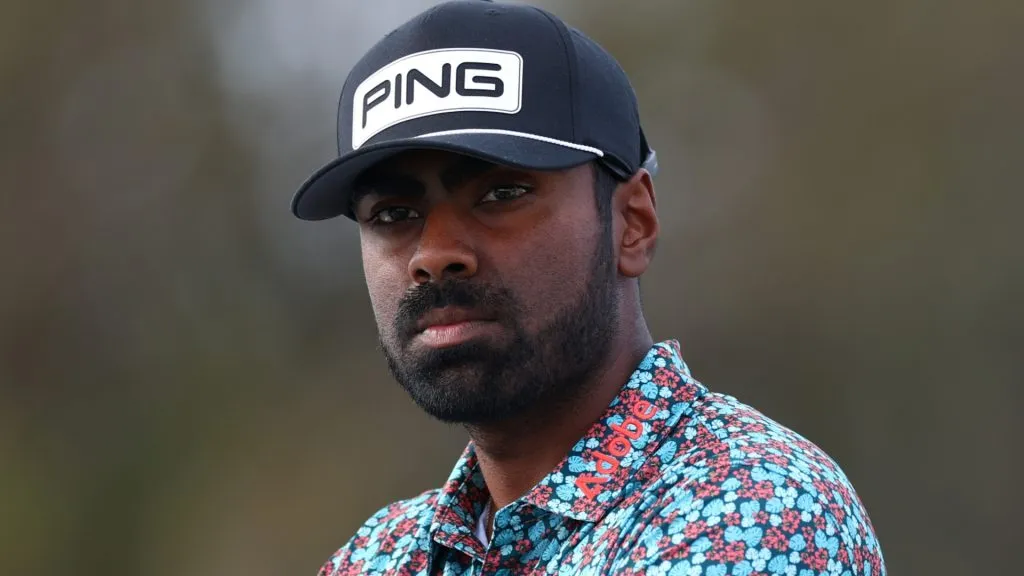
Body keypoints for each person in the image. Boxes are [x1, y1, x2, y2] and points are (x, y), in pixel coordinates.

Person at [291, 1, 886, 574]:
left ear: (633, 224)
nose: (436, 254)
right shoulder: (380, 555)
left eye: (500, 194)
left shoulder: (753, 505)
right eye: (393, 214)